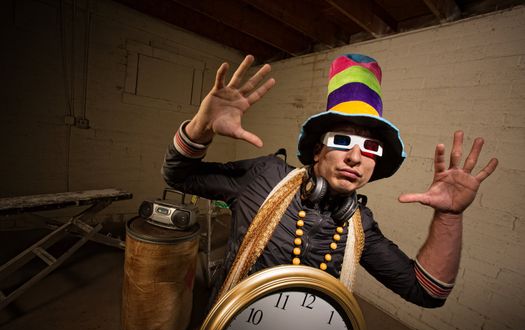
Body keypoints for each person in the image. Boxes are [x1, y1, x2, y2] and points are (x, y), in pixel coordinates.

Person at [162, 54, 498, 308]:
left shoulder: (359, 226)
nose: (356, 157)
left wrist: (450, 216)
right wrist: (200, 127)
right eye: (342, 141)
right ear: (318, 150)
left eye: (371, 147)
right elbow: (180, 174)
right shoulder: (264, 177)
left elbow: (427, 292)